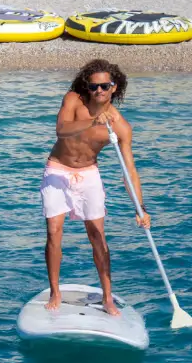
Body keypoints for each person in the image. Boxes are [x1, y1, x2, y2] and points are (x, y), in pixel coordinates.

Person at [41, 59, 151, 316]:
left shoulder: (120, 126)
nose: (99, 91)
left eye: (105, 86)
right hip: (58, 169)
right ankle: (55, 292)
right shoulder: (73, 100)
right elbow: (61, 130)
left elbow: (129, 170)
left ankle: (108, 297)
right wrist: (92, 122)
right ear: (86, 87)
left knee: (98, 237)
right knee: (54, 231)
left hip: (89, 174)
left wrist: (140, 208)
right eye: (94, 86)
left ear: (114, 87)